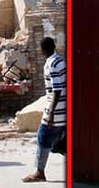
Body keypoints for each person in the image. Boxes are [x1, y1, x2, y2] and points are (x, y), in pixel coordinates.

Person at [23, 37, 66, 183]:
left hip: (57, 110)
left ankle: (39, 172)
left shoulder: (51, 64)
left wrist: (51, 113)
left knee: (43, 136)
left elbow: (57, 89)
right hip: (63, 109)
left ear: (42, 50)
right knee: (57, 139)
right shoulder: (60, 61)